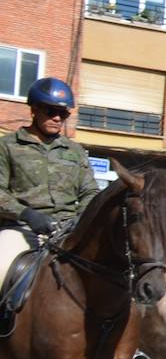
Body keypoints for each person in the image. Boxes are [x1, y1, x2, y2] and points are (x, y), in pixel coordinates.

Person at [0, 77, 101, 287]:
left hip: (69, 231)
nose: (57, 118)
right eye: (50, 111)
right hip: (22, 229)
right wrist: (25, 214)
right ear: (34, 109)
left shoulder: (75, 151)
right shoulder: (7, 146)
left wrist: (82, 217)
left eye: (63, 114)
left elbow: (90, 191)